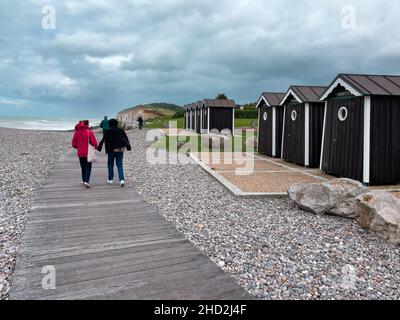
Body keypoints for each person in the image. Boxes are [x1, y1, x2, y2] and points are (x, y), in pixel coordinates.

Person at [97, 119, 131, 187]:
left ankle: (110, 179)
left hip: (111, 151)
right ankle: (122, 180)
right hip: (120, 149)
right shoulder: (121, 130)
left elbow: (105, 141)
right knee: (119, 165)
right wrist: (128, 147)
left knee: (110, 164)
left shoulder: (108, 131)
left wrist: (104, 150)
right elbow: (126, 139)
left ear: (110, 124)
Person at [72, 120, 98, 189]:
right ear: (87, 125)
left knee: (83, 167)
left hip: (80, 152)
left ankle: (84, 180)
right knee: (88, 167)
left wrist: (79, 147)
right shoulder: (89, 132)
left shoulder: (76, 133)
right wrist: (95, 146)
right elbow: (94, 143)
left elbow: (73, 144)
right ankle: (86, 181)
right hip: (88, 152)